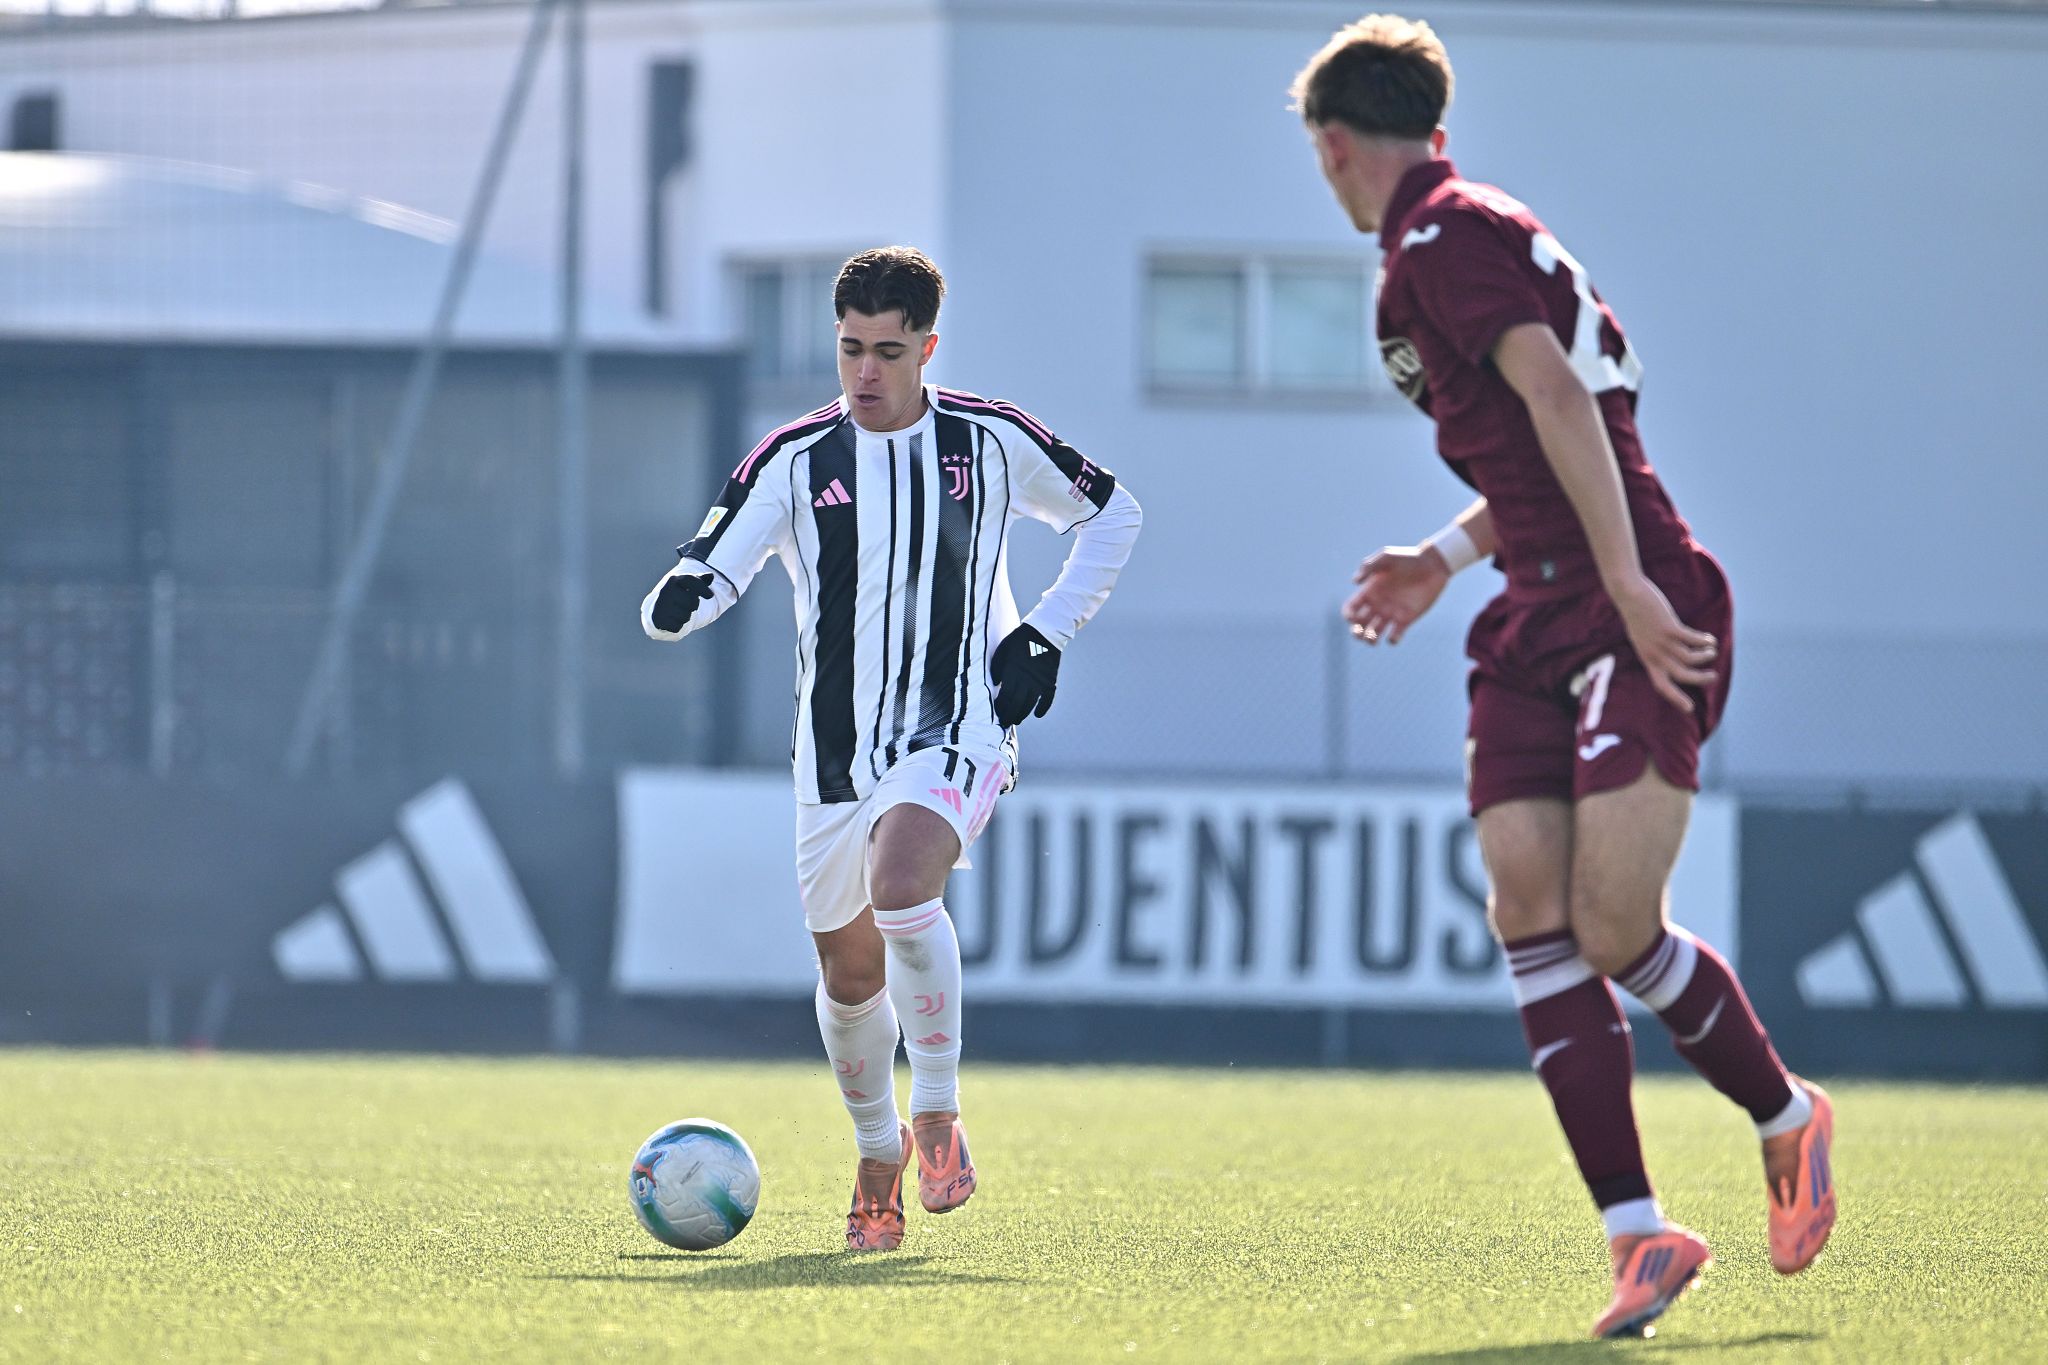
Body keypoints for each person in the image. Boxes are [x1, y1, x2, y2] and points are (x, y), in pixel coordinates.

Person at [1291, 15, 1834, 1339]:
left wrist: (1633, 585)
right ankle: (1639, 1237)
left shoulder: (1440, 238)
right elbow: (1528, 447)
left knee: (1610, 923)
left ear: (1334, 146)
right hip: (1533, 611)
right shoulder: (1461, 232)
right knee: (1527, 909)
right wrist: (1439, 557)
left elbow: (1560, 399)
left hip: (1623, 605)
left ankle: (1784, 1112)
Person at [641, 246, 1142, 1251]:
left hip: (957, 723)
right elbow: (718, 564)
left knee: (905, 884)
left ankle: (937, 1109)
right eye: (849, 349)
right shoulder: (793, 458)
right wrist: (683, 599)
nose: (864, 372)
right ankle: (879, 1150)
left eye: (886, 351)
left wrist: (1044, 633)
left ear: (927, 347)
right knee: (848, 974)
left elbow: (1112, 514)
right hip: (833, 751)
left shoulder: (989, 441)